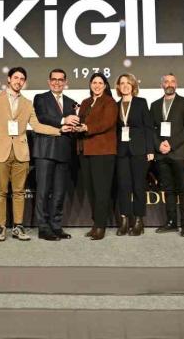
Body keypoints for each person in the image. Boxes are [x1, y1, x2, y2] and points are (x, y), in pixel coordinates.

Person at [0, 67, 69, 242]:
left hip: (21, 153)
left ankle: (18, 226)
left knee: (19, 192)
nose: (18, 81)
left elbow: (37, 126)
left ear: (24, 82)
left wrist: (60, 130)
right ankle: (0, 227)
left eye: (22, 79)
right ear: (9, 79)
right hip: (0, 152)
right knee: (0, 192)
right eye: (16, 78)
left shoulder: (27, 103)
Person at [32, 69, 80, 241]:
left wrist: (76, 126)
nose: (57, 82)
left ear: (65, 82)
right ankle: (43, 228)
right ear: (49, 81)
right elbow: (42, 117)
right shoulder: (40, 98)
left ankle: (56, 226)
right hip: (45, 151)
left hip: (63, 151)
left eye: (61, 80)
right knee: (43, 192)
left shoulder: (72, 102)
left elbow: (73, 124)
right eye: (54, 79)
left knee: (59, 193)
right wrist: (63, 121)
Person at [150, 73, 184, 236]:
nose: (169, 84)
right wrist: (158, 145)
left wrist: (171, 144)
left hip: (179, 153)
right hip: (161, 154)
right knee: (168, 190)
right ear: (161, 85)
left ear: (176, 84)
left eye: (172, 81)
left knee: (183, 190)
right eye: (166, 81)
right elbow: (151, 129)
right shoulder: (155, 105)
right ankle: (171, 223)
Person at [77, 72, 118, 240]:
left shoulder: (110, 102)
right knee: (92, 191)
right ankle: (95, 223)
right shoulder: (85, 102)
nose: (97, 85)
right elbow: (81, 122)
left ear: (105, 85)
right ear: (90, 84)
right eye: (94, 82)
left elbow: (107, 123)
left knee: (101, 191)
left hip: (103, 152)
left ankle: (101, 226)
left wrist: (87, 128)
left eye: (100, 83)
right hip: (85, 151)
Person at [114, 73, 155, 237]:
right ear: (118, 87)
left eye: (128, 83)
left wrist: (150, 150)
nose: (125, 85)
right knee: (123, 186)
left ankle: (138, 221)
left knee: (138, 186)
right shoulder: (115, 105)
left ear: (133, 86)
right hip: (121, 151)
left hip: (139, 150)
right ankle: (124, 220)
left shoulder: (141, 102)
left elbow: (148, 127)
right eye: (122, 83)